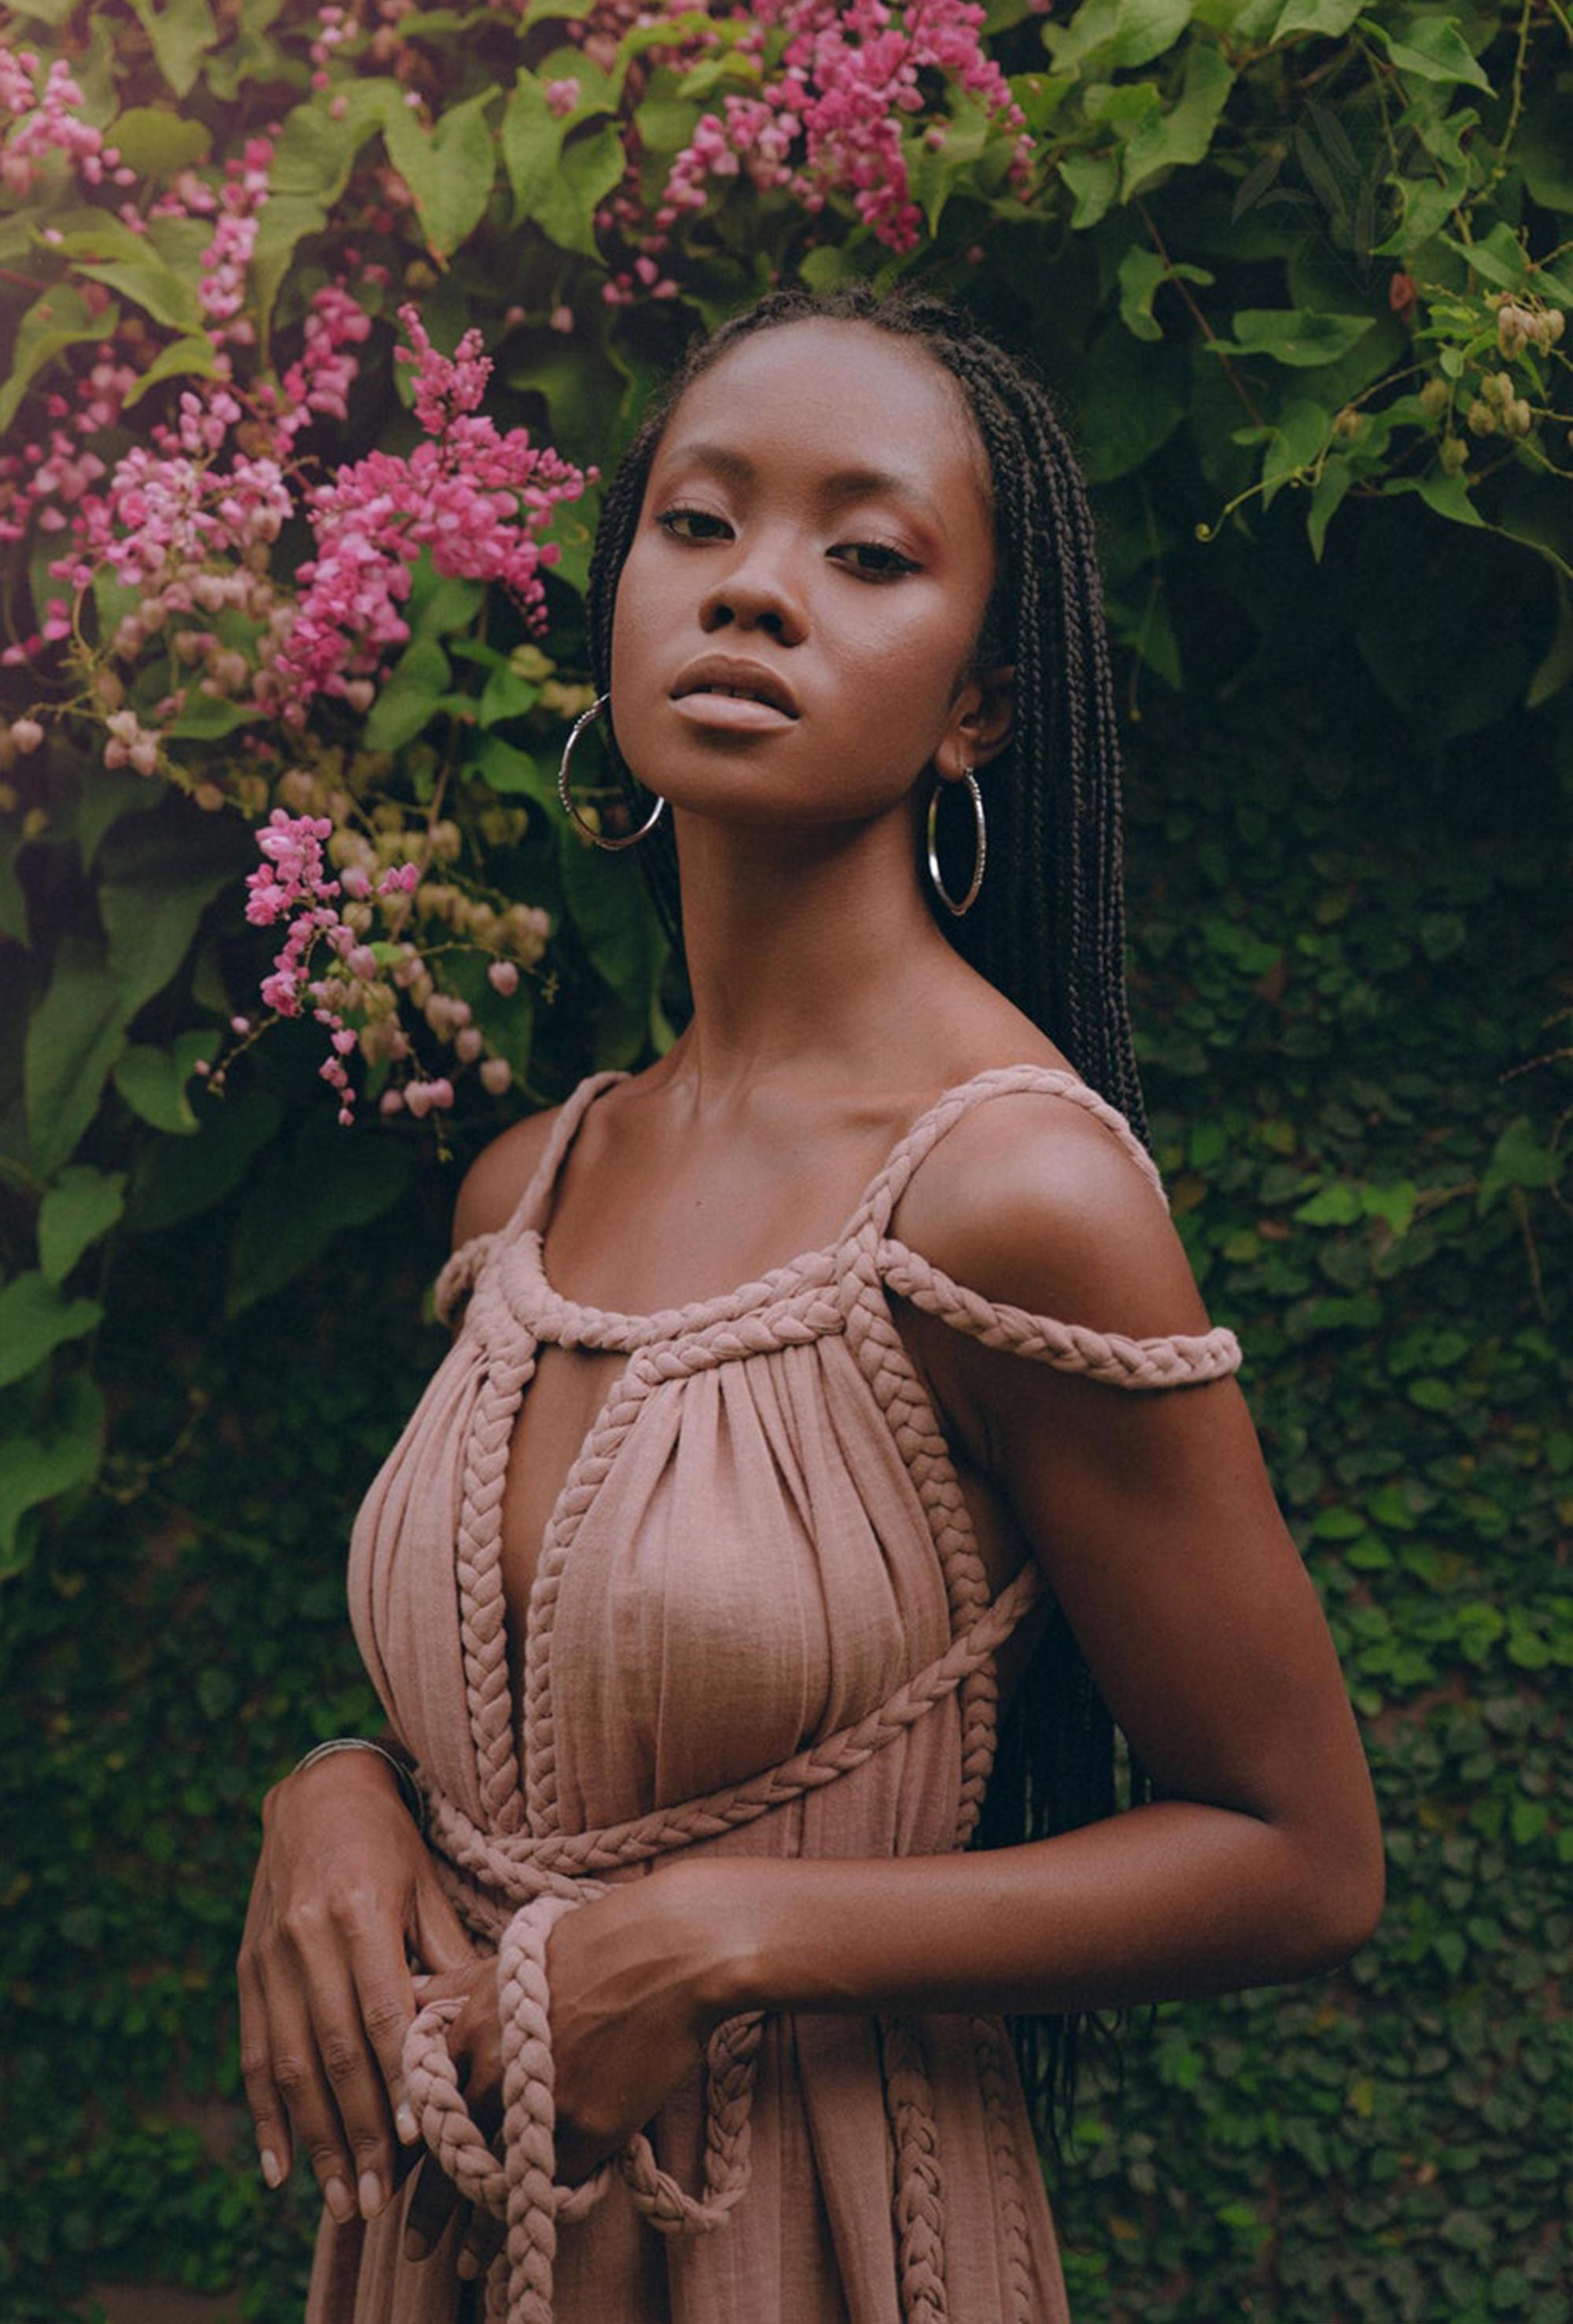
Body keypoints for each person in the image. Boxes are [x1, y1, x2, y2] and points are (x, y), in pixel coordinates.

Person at [238, 285, 1384, 2324]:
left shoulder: (1013, 1194)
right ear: (614, 604)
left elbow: (1298, 1854)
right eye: (701, 525)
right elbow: (541, 1738)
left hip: (814, 2241)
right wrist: (332, 1800)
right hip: (442, 2244)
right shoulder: (532, 1187)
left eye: (866, 553)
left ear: (982, 705)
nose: (758, 592)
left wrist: (724, 1939)